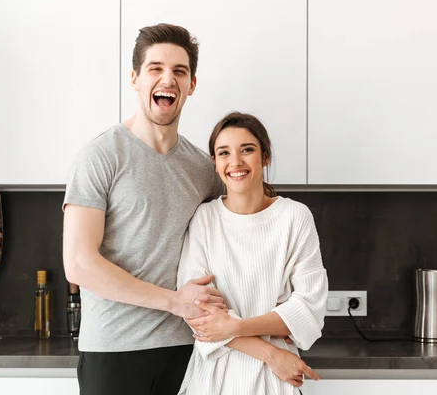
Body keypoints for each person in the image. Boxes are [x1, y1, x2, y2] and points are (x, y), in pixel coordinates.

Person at [62, 23, 226, 395]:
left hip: (188, 350)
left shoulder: (203, 169)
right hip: (114, 351)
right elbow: (79, 263)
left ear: (191, 85)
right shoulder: (101, 156)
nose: (167, 78)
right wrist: (174, 302)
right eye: (156, 68)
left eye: (179, 71)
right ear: (135, 79)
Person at [176, 112, 329, 394]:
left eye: (247, 150)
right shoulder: (205, 219)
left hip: (272, 380)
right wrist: (270, 352)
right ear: (215, 163)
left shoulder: (294, 217)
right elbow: (198, 311)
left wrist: (232, 327)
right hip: (218, 375)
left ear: (265, 156)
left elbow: (309, 307)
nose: (235, 162)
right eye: (224, 153)